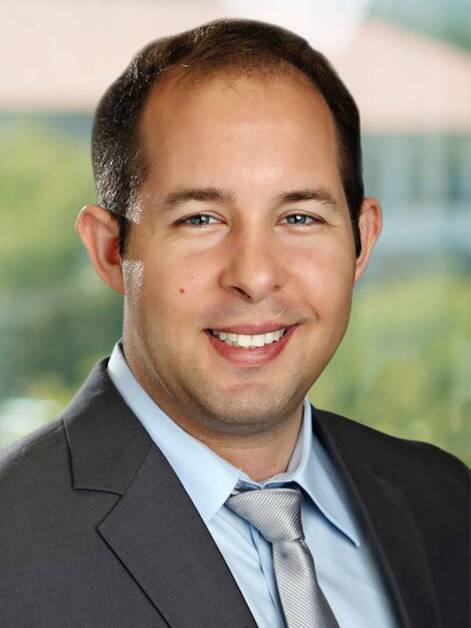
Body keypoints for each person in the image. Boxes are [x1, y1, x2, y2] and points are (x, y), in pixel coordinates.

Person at [0, 18, 468, 628]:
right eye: (201, 219)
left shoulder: (445, 502)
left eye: (299, 218)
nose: (255, 275)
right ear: (111, 250)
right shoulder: (12, 545)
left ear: (362, 242)